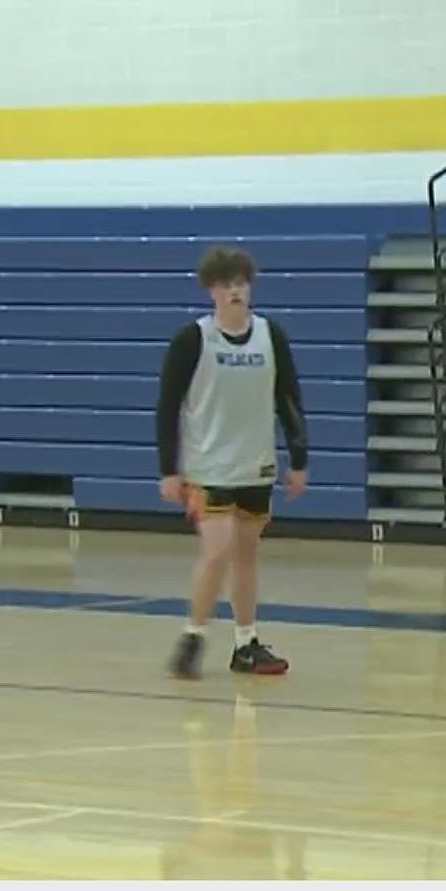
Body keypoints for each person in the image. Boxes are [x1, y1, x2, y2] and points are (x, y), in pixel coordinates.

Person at [157, 244, 310, 680]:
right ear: (212, 291)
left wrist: (298, 457)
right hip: (208, 467)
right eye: (227, 285)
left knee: (246, 554)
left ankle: (246, 642)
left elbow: (289, 399)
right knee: (217, 549)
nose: (236, 291)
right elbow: (167, 406)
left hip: (255, 463)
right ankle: (193, 635)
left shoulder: (270, 335)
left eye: (241, 283)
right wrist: (169, 468)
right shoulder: (194, 340)